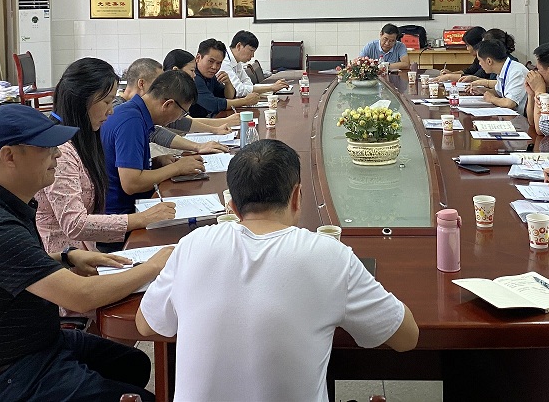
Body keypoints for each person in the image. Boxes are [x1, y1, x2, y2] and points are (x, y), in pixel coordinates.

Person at [137, 139, 419, 400]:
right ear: (297, 196)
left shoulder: (192, 245)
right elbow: (407, 337)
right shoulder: (330, 255)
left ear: (233, 208)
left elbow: (145, 323)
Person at [0, 103, 171, 402]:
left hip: (36, 345)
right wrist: (153, 267)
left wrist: (67, 256)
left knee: (133, 364)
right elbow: (81, 296)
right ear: (9, 156)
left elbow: (15, 267)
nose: (58, 154)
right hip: (4, 378)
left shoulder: (4, 201)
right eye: (47, 147)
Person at [35, 58, 176, 261]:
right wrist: (142, 219)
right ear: (82, 100)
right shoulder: (61, 152)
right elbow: (74, 224)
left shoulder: (85, 138)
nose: (111, 110)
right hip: (64, 262)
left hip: (87, 253)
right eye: (107, 102)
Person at [102, 70, 215, 215]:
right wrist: (177, 168)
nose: (180, 119)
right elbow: (131, 184)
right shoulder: (132, 122)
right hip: (123, 213)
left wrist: (156, 162)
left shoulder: (133, 112)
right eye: (183, 113)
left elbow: (124, 166)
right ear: (168, 104)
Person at [117, 58, 229, 153]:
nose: (165, 86)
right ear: (141, 83)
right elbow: (155, 132)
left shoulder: (141, 108)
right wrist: (197, 147)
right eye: (158, 82)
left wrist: (215, 128)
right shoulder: (121, 111)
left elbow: (176, 122)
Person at [161, 49, 239, 134]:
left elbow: (186, 121)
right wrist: (225, 122)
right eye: (192, 71)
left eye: (219, 63)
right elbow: (186, 123)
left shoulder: (209, 77)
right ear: (176, 70)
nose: (194, 75)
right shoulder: (166, 94)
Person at [190, 38, 260, 117]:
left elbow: (228, 97)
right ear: (198, 58)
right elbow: (214, 104)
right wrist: (245, 101)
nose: (214, 67)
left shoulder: (210, 76)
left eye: (218, 63)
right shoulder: (193, 76)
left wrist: (228, 83)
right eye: (211, 61)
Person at [466, 38, 527, 114]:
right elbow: (499, 92)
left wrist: (491, 99)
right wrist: (482, 90)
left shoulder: (516, 72)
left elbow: (509, 103)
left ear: (489, 61)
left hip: (520, 118)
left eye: (480, 60)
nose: (479, 64)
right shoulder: (503, 69)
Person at [221, 30, 288, 96]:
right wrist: (271, 88)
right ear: (239, 46)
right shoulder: (224, 62)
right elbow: (239, 90)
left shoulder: (237, 61)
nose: (252, 55)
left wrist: (246, 89)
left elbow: (247, 82)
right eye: (251, 51)